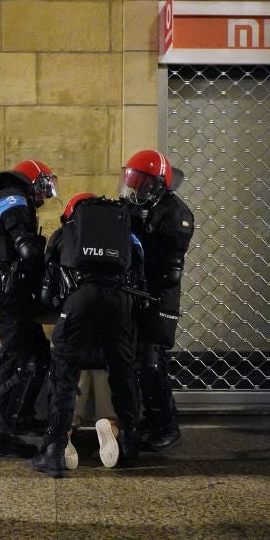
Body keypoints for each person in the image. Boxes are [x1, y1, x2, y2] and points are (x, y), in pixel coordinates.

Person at [32, 193, 144, 477]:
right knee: (124, 373)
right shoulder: (126, 235)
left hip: (81, 299)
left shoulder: (64, 233)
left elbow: (48, 284)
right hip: (120, 300)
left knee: (64, 375)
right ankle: (129, 444)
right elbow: (140, 269)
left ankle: (55, 450)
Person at [0, 160, 59, 458]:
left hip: (12, 289)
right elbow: (26, 247)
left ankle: (22, 416)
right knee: (19, 361)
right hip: (10, 290)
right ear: (32, 182)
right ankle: (1, 435)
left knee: (38, 356)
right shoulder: (12, 199)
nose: (43, 196)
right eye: (42, 187)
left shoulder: (10, 199)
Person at [119, 150, 195, 452]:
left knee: (151, 362)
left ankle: (167, 425)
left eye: (140, 182)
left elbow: (168, 271)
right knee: (139, 361)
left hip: (159, 297)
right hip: (138, 294)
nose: (134, 188)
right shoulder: (140, 207)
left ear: (156, 185)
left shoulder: (176, 214)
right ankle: (150, 419)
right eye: (131, 180)